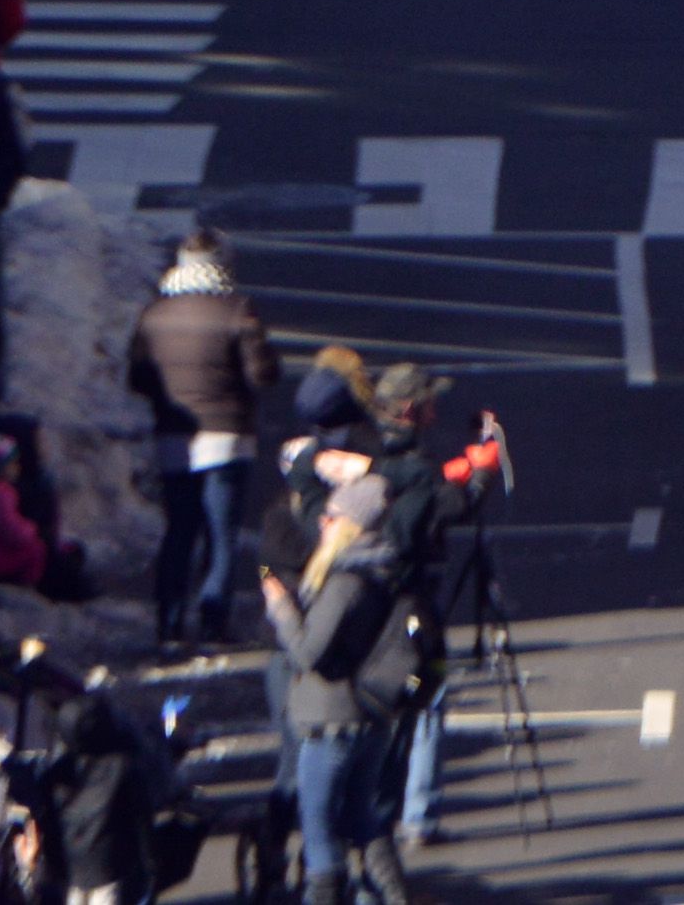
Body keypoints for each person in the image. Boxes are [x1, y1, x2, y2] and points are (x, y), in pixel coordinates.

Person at [267, 448, 415, 903]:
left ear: (350, 524)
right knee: (362, 819)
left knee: (319, 831)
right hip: (368, 719)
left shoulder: (345, 583)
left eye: (331, 516)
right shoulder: (382, 570)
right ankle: (394, 895)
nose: (322, 522)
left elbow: (310, 651)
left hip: (332, 722)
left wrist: (281, 608)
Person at [130, 226, 276, 653]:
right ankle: (214, 621)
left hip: (174, 439)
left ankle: (169, 622)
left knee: (179, 530)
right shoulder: (235, 310)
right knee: (220, 534)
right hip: (227, 435)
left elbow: (137, 376)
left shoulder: (154, 314)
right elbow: (261, 374)